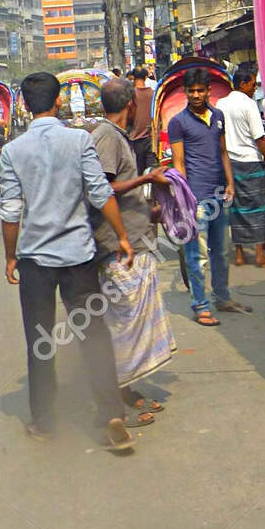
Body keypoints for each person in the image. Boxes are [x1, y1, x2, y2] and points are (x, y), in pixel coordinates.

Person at [0, 71, 138, 453]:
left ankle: (44, 422)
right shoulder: (79, 140)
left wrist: (11, 256)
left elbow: (10, 212)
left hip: (36, 261)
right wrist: (122, 236)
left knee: (40, 340)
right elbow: (99, 193)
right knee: (93, 332)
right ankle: (110, 412)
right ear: (58, 102)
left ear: (25, 107)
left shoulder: (13, 151)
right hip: (79, 256)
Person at [91, 77, 177, 423]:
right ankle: (118, 395)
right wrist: (145, 180)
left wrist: (151, 207)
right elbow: (104, 189)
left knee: (127, 320)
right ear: (131, 106)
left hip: (132, 239)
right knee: (123, 321)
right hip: (118, 246)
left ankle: (124, 390)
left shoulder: (114, 137)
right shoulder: (107, 139)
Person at [167, 67, 241, 324]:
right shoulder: (178, 123)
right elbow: (179, 163)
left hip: (220, 194)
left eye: (200, 90)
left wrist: (231, 183)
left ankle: (223, 297)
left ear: (209, 91)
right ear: (186, 93)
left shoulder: (218, 116)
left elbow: (223, 152)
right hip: (196, 198)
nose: (196, 95)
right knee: (197, 255)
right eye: (191, 91)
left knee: (221, 251)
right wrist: (183, 198)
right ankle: (200, 305)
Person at [217, 61, 265, 268]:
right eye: (252, 84)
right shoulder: (249, 104)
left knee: (236, 208)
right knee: (257, 207)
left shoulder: (221, 104)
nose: (254, 88)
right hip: (250, 162)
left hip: (229, 165)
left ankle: (239, 254)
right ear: (243, 84)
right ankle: (259, 254)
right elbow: (259, 138)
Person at [128, 67, 155, 172]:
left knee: (138, 173)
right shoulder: (153, 94)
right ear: (146, 77)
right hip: (151, 137)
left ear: (133, 77)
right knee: (150, 172)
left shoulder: (131, 94)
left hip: (135, 138)